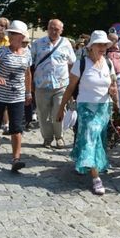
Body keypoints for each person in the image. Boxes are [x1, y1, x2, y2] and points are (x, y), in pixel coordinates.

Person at [56, 30, 118, 195]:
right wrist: (62, 107)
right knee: (91, 136)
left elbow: (113, 85)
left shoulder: (109, 63)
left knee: (98, 138)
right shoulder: (81, 63)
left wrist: (115, 96)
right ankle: (96, 178)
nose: (102, 47)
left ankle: (82, 162)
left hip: (104, 107)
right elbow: (70, 87)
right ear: (91, 47)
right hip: (86, 107)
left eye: (105, 45)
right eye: (99, 44)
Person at [0, 20, 32, 172]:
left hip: (17, 96)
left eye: (16, 34)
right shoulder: (1, 51)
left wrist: (28, 92)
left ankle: (16, 158)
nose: (13, 37)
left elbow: (28, 74)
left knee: (16, 127)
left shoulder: (27, 53)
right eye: (11, 34)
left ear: (22, 37)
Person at [31, 19, 76, 149]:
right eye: (51, 28)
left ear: (61, 30)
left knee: (59, 112)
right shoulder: (38, 43)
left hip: (61, 85)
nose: (53, 31)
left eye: (56, 29)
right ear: (47, 28)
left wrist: (71, 85)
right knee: (43, 114)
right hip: (41, 84)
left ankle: (59, 137)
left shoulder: (66, 43)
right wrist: (31, 83)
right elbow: (30, 63)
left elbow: (72, 63)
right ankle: (47, 138)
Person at [106, 32, 120, 116]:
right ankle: (111, 112)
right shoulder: (106, 50)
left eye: (114, 40)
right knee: (111, 93)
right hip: (109, 75)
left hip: (119, 74)